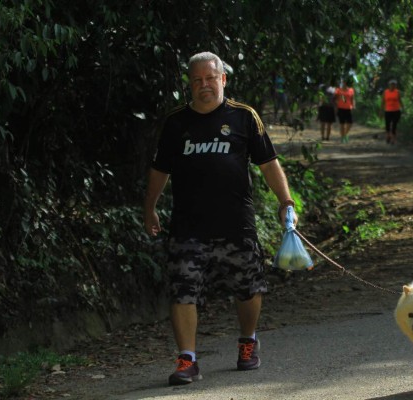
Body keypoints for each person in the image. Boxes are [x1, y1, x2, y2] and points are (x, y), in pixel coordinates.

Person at [143, 51, 298, 385]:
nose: (204, 85)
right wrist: (150, 207)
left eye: (210, 78)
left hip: (235, 222)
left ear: (223, 79)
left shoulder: (244, 117)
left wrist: (284, 199)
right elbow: (160, 169)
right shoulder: (176, 122)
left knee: (248, 287)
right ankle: (187, 359)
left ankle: (248, 341)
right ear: (189, 83)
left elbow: (268, 163)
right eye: (197, 80)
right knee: (182, 290)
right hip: (187, 225)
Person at [380, 79, 403, 145]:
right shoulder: (385, 92)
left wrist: (403, 108)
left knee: (394, 125)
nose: (393, 86)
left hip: (396, 110)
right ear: (389, 85)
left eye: (394, 85)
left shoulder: (397, 92)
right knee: (387, 124)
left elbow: (400, 100)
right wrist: (381, 111)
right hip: (388, 111)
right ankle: (388, 136)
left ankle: (393, 139)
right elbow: (383, 102)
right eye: (392, 85)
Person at [334, 78, 356, 143]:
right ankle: (342, 138)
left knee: (350, 123)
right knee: (342, 124)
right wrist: (336, 104)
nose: (344, 83)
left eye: (345, 82)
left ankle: (345, 135)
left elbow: (353, 99)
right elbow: (335, 98)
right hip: (341, 108)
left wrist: (353, 105)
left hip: (348, 108)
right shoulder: (338, 90)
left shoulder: (351, 90)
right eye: (343, 82)